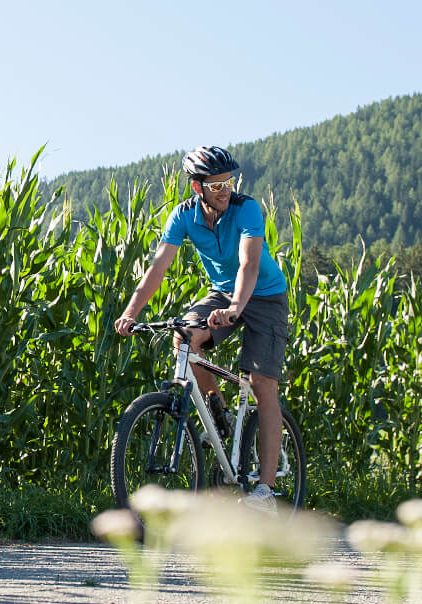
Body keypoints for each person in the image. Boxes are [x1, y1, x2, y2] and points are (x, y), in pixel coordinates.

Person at [114, 145, 292, 501]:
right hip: (223, 294)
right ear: (198, 188)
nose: (224, 189)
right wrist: (130, 313)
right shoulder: (183, 217)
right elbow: (157, 269)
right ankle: (217, 408)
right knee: (184, 338)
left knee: (262, 384)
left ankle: (265, 490)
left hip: (265, 296)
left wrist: (236, 308)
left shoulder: (247, 209)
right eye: (216, 185)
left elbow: (249, 265)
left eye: (228, 181)